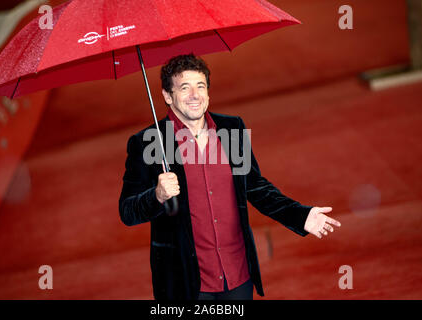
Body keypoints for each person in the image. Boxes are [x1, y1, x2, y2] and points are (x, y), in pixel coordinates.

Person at [118, 54, 341, 300]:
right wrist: (156, 196)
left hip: (237, 276)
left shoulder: (231, 129)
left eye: (200, 86)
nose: (195, 94)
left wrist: (300, 216)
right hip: (186, 283)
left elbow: (256, 187)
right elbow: (127, 212)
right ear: (167, 96)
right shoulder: (148, 142)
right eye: (184, 87)